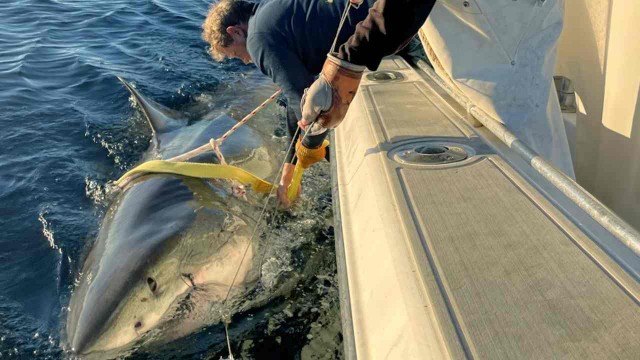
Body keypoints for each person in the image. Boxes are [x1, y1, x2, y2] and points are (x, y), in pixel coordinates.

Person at [202, 0, 435, 205]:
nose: (244, 61)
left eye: (234, 53)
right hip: (401, 20)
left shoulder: (257, 40)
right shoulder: (270, 11)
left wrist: (311, 149)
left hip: (395, 23)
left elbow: (308, 105)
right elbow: (298, 96)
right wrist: (290, 166)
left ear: (235, 32)